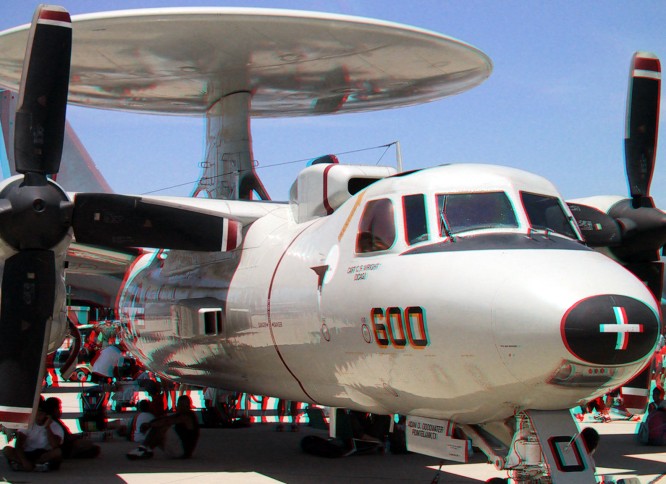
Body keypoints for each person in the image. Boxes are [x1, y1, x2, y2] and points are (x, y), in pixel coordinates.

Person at [126, 395, 199, 460]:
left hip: (182, 451)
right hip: (179, 450)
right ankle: (148, 450)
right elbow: (165, 418)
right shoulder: (181, 414)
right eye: (179, 404)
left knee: (162, 426)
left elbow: (167, 421)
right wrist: (151, 423)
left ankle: (143, 448)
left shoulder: (187, 416)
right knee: (158, 426)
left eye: (181, 405)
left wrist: (149, 425)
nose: (179, 407)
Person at [3, 402, 64, 471]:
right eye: (36, 413)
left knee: (57, 452)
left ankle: (35, 465)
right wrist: (24, 461)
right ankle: (29, 465)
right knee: (7, 450)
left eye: (41, 414)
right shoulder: (28, 424)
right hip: (28, 453)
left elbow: (55, 445)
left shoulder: (56, 426)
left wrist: (48, 427)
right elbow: (18, 445)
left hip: (43, 453)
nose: (38, 416)